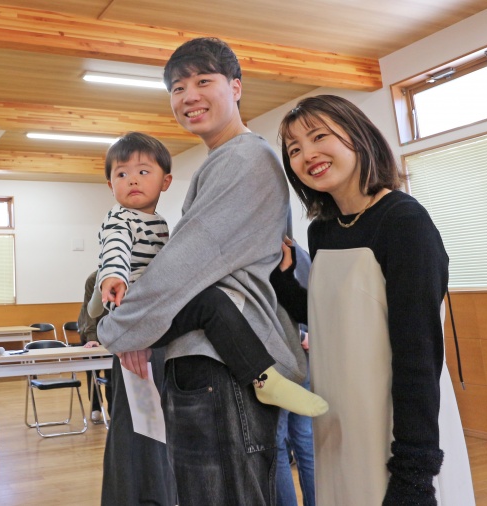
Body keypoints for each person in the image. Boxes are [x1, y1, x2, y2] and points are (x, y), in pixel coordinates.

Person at [97, 38, 307, 504]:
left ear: (236, 87)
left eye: (203, 81)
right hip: (209, 359)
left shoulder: (244, 159)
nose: (188, 96)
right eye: (177, 88)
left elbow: (185, 263)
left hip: (222, 364)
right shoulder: (224, 160)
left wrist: (119, 330)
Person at [271, 94, 474, 505]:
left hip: (397, 425)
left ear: (358, 135)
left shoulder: (404, 222)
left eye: (319, 137)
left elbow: (419, 353)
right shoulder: (323, 230)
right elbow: (336, 318)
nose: (307, 155)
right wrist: (283, 282)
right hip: (338, 419)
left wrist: (415, 471)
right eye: (294, 150)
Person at [90, 132, 327, 418]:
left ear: (165, 182)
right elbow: (115, 248)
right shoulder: (120, 218)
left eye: (143, 172)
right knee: (212, 304)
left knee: (212, 305)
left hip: (150, 311)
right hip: (136, 308)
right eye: (121, 174)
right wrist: (113, 277)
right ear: (110, 185)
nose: (132, 180)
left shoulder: (157, 222)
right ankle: (264, 379)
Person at [272, 240, 316, 506]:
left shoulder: (261, 252)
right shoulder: (301, 252)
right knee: (306, 440)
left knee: (276, 445)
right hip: (305, 360)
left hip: (279, 361)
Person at [78, 270, 111, 421]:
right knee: (93, 372)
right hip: (90, 327)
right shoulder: (93, 279)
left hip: (110, 329)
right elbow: (89, 310)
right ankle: (96, 407)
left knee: (112, 373)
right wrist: (91, 338)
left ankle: (113, 409)